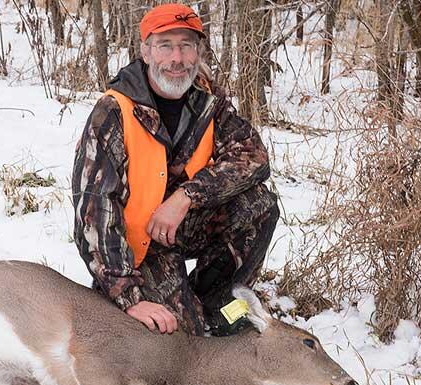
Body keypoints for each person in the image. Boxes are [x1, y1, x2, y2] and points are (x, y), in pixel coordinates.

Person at [72, 3, 279, 337]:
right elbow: (94, 209)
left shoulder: (208, 99)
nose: (177, 59)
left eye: (186, 45)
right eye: (165, 45)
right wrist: (127, 294)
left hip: (181, 225)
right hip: (137, 248)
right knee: (183, 338)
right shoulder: (113, 111)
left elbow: (253, 157)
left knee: (259, 204)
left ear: (198, 50)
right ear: (145, 51)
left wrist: (185, 197)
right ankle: (167, 303)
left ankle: (216, 299)